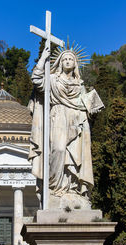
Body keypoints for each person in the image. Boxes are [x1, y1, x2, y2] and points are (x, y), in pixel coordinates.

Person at [28, 46, 104, 206]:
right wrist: (43, 58)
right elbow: (36, 80)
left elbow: (86, 104)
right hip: (58, 117)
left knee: (75, 156)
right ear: (60, 62)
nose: (68, 61)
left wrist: (92, 107)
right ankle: (54, 189)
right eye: (65, 59)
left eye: (71, 59)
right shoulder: (52, 79)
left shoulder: (79, 84)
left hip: (76, 120)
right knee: (58, 150)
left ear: (75, 63)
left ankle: (72, 189)